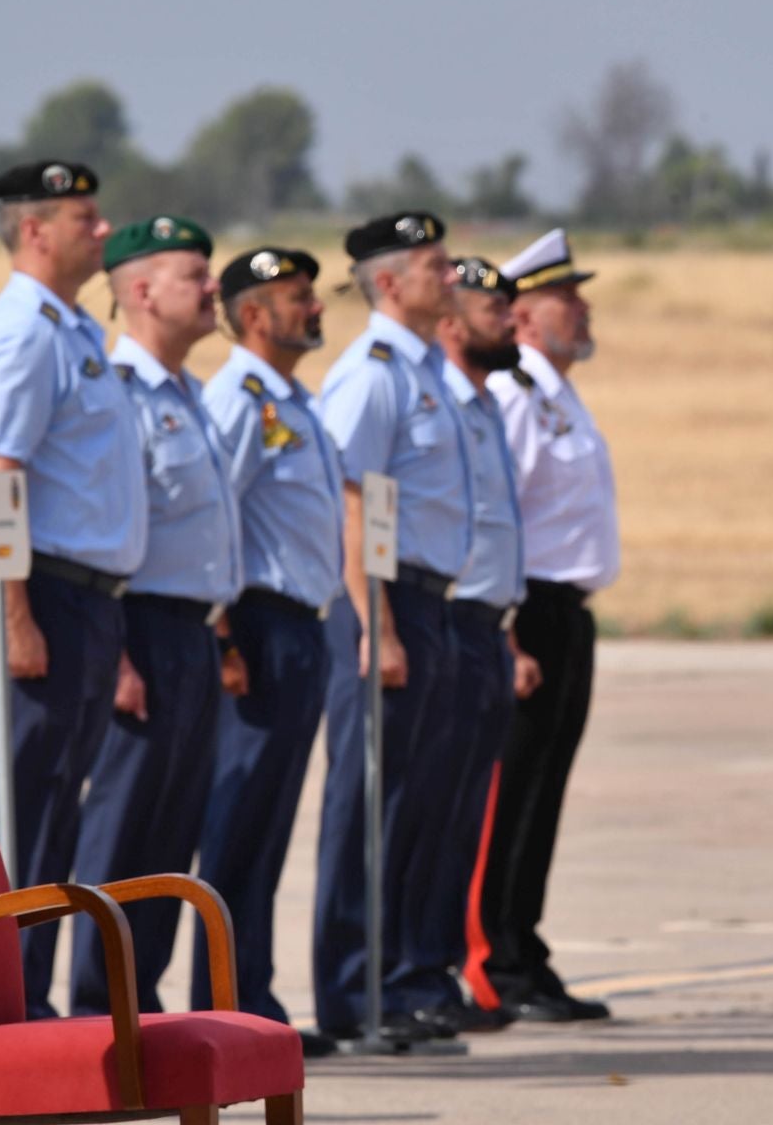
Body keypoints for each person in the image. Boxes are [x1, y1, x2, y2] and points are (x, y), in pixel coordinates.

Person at [0, 159, 145, 1017]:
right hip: (37, 593)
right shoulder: (26, 332)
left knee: (56, 812)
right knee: (17, 814)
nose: (103, 231)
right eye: (85, 218)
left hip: (82, 598)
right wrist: (15, 611)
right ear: (35, 230)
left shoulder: (70, 331)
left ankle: (28, 1004)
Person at [70, 215, 240, 1014]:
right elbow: (114, 529)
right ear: (140, 291)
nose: (214, 290)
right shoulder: (119, 394)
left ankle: (143, 1000)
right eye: (194, 277)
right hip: (139, 628)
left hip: (194, 633)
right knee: (123, 824)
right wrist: (122, 659)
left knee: (175, 827)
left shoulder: (193, 395)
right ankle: (98, 1006)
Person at [311, 211, 473, 1043]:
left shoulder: (425, 369)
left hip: (430, 598)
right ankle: (350, 995)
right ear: (388, 282)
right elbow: (350, 502)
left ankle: (400, 982)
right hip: (387, 601)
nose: (451, 278)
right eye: (435, 266)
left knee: (414, 806)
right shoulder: (373, 373)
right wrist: (377, 622)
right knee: (368, 802)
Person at [194, 245, 344, 1056]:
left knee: (271, 822)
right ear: (254, 314)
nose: (314, 308)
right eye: (297, 297)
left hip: (301, 626)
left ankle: (253, 993)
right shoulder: (240, 399)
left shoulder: (294, 400)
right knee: (237, 821)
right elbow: (218, 515)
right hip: (256, 624)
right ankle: (221, 998)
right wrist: (224, 636)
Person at [465, 227, 617, 1023]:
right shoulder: (513, 396)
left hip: (565, 612)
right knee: (506, 796)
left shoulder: (553, 392)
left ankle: (523, 947)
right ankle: (491, 960)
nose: (582, 307)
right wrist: (507, 632)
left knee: (541, 795)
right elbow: (497, 518)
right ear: (521, 316)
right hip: (524, 608)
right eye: (565, 296)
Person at [391, 255, 535, 1034]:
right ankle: (406, 972)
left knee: (457, 816)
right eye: (492, 310)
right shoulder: (437, 401)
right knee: (424, 808)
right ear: (450, 324)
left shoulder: (479, 407)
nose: (510, 321)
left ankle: (435, 971)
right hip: (442, 617)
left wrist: (507, 634)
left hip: (482, 626)